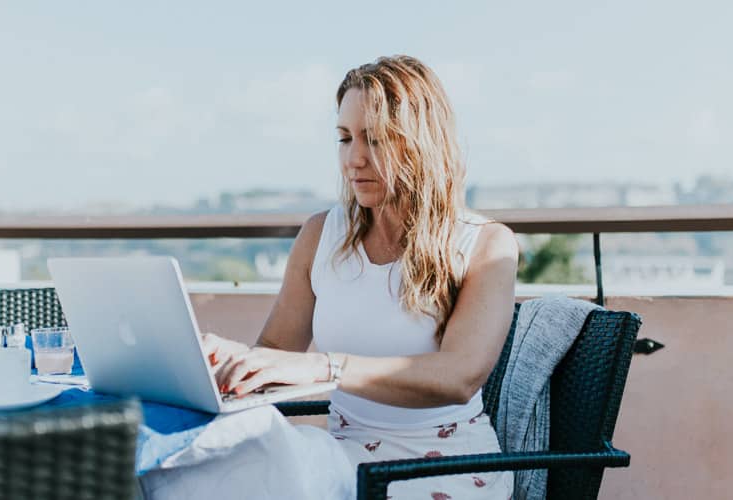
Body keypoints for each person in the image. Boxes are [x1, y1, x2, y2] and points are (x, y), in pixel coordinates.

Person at [154, 55, 518, 499]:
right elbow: (277, 351)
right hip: (343, 456)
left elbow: (459, 377)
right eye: (345, 138)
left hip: (447, 469)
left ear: (422, 143)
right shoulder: (321, 235)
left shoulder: (485, 245)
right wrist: (233, 361)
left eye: (377, 140)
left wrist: (324, 367)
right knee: (189, 475)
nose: (354, 159)